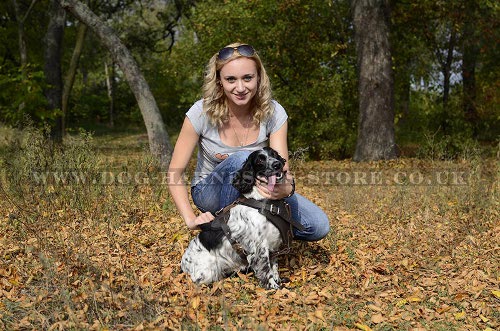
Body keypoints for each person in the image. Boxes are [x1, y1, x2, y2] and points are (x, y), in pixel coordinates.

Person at [168, 43, 329, 241]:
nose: (241, 88)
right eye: (230, 79)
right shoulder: (200, 113)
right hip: (210, 190)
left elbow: (282, 168)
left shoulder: (274, 112)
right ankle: (228, 238)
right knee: (242, 159)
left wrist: (287, 188)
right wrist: (190, 219)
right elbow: (174, 172)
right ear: (219, 81)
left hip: (257, 188)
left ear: (259, 77)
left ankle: (260, 233)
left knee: (317, 226)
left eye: (247, 78)